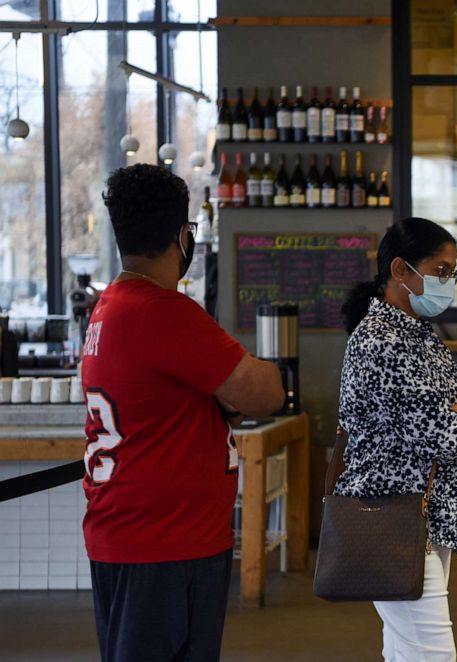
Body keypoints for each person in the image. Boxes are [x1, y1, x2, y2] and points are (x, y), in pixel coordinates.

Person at [83, 164, 285, 662]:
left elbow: (161, 401)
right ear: (183, 236)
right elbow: (266, 392)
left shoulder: (111, 305)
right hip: (168, 545)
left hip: (132, 535)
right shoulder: (163, 311)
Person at [337, 217, 457, 661]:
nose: (448, 282)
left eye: (452, 272)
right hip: (393, 518)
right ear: (401, 270)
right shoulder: (381, 341)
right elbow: (442, 436)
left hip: (429, 519)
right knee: (432, 655)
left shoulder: (419, 335)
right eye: (441, 270)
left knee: (408, 652)